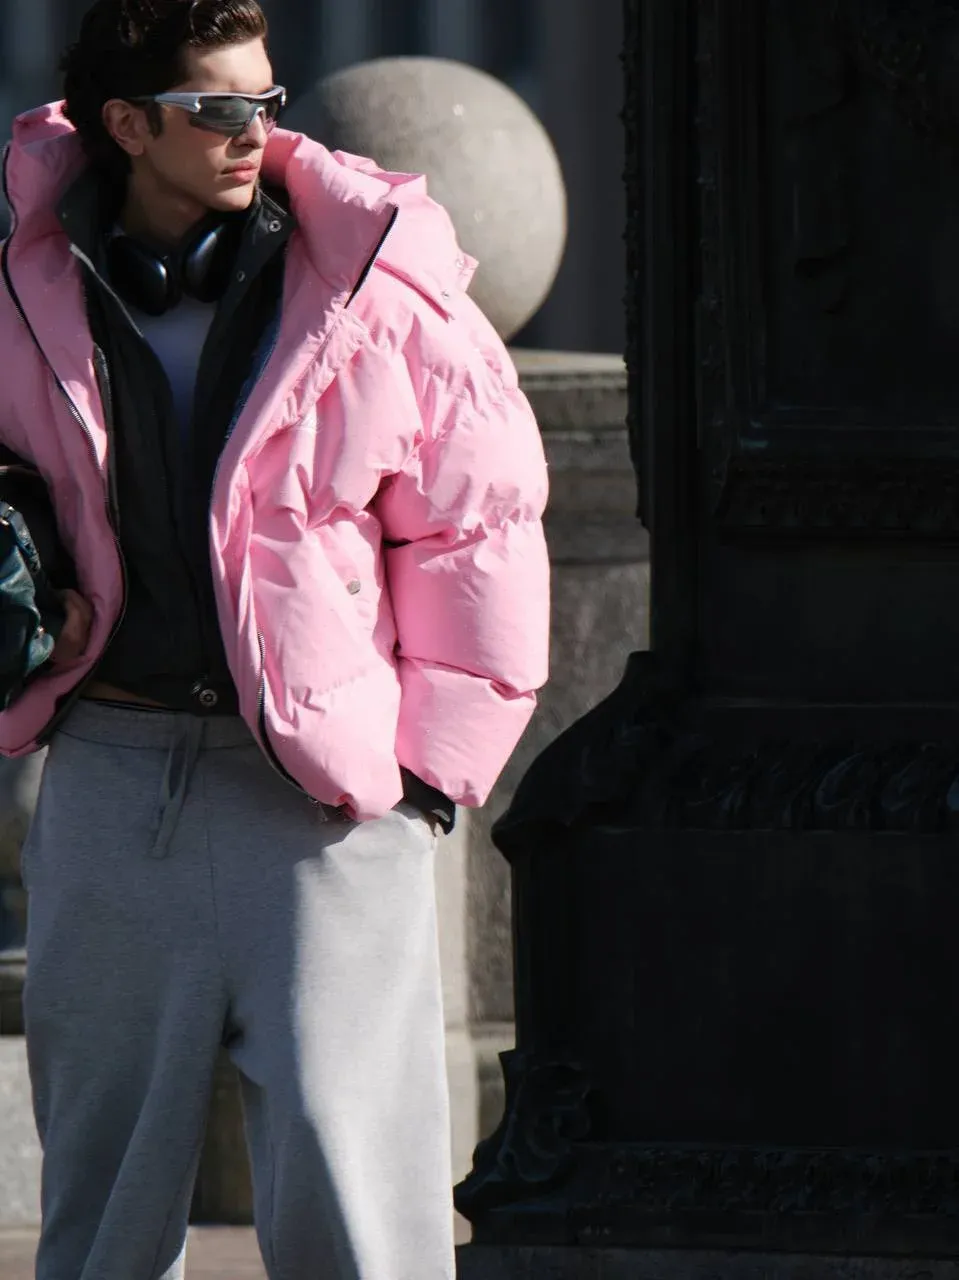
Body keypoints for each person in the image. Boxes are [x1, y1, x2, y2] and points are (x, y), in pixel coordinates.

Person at [0, 0, 550, 1276]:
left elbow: (479, 523)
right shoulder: (23, 283)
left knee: (361, 1214)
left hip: (323, 808)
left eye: (265, 100)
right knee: (98, 1224)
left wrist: (419, 776)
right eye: (216, 109)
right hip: (111, 778)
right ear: (127, 126)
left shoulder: (372, 280)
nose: (253, 130)